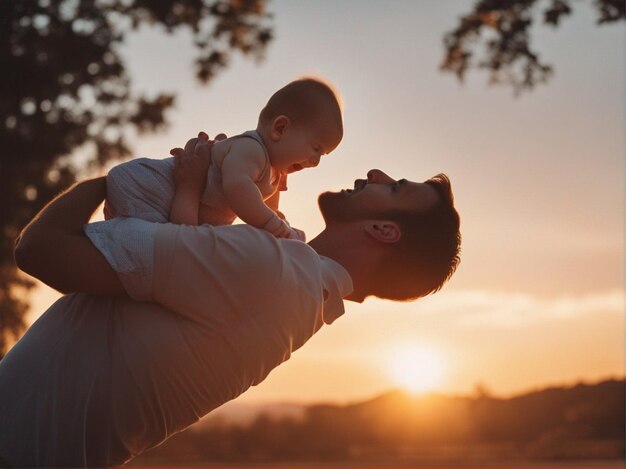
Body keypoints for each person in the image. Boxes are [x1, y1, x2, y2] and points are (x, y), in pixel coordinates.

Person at [0, 135, 461, 466]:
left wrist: (124, 180)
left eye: (395, 187)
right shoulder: (293, 293)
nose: (376, 175)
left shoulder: (271, 270)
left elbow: (40, 250)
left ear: (384, 231)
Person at [106, 78, 343, 240]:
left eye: (322, 155)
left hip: (171, 205)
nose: (315, 161)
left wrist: (275, 221)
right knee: (167, 251)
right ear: (280, 128)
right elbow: (237, 188)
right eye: (315, 148)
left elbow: (264, 205)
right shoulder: (250, 150)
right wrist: (271, 224)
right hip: (148, 186)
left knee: (169, 249)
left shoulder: (274, 171)